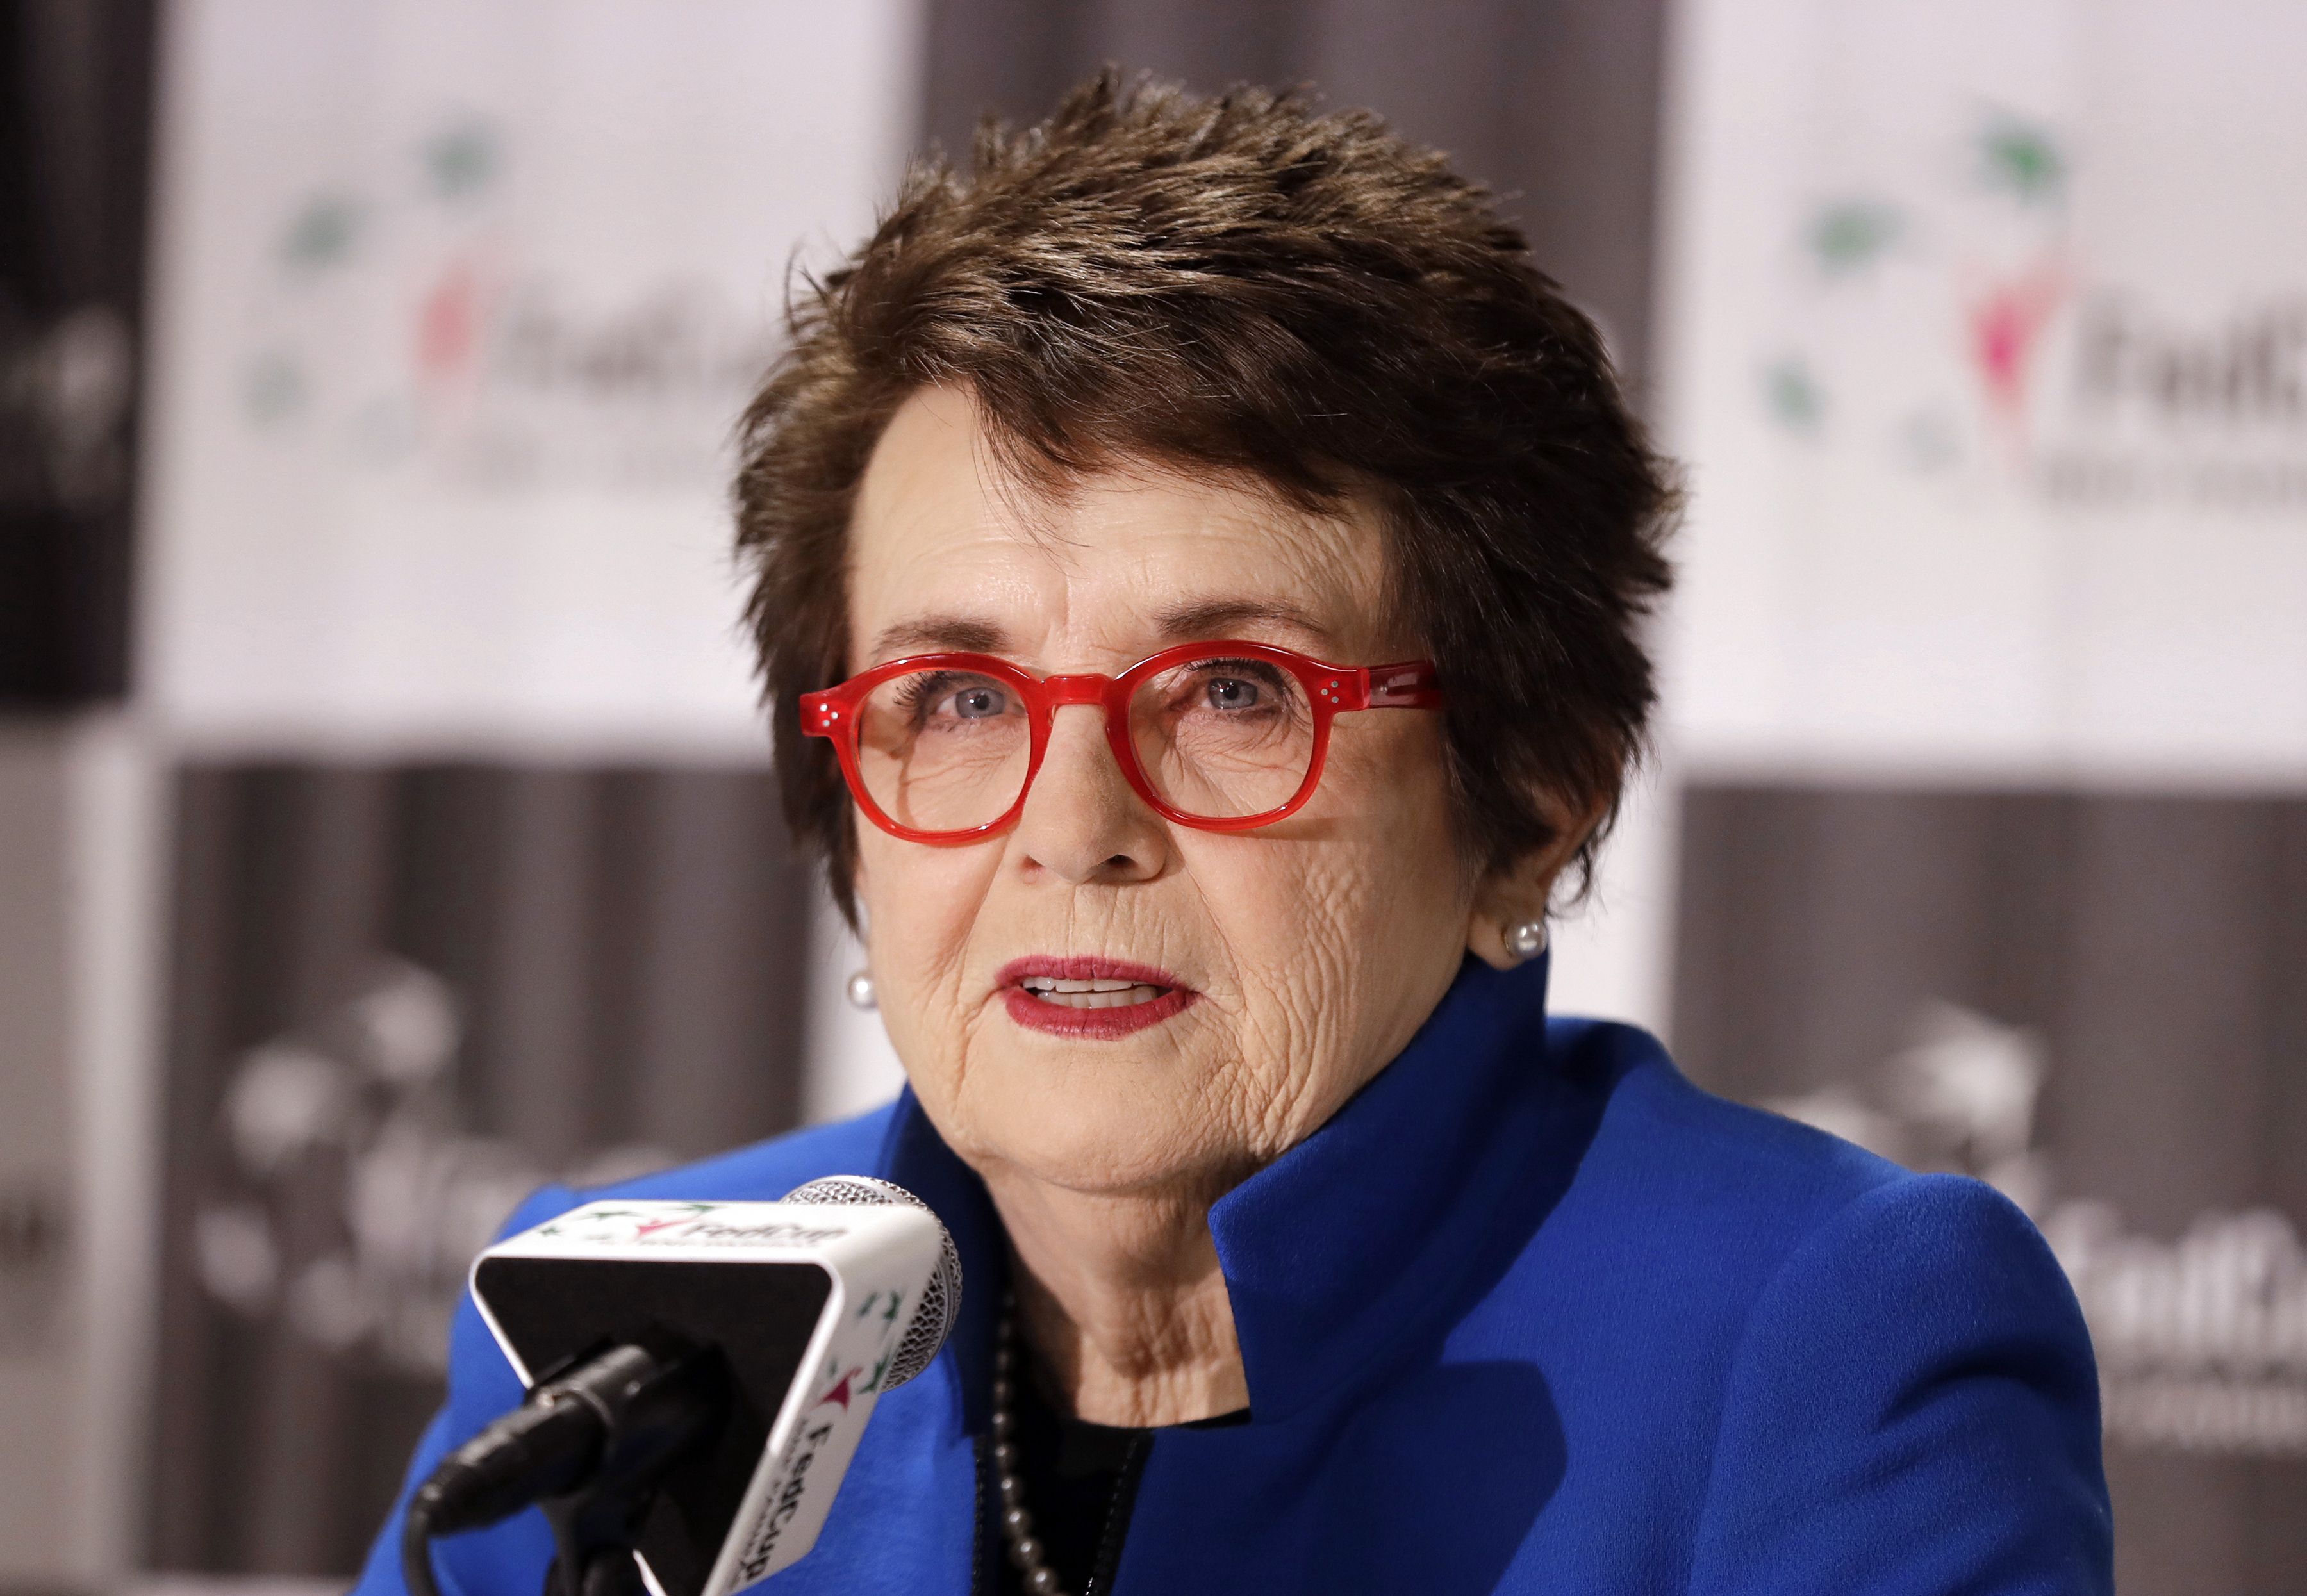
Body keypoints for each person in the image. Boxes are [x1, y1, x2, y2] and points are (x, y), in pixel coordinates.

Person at [357, 72, 2112, 1596]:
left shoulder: (1825, 1339)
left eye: (1229, 694)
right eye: (960, 700)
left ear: (1535, 797)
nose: (1073, 827)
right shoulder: (626, 1345)